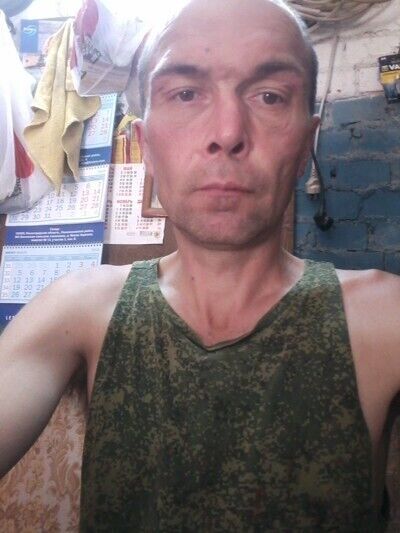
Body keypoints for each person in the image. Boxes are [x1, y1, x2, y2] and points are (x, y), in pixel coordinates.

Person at [0, 0, 399, 530]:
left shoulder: (383, 321)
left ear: (307, 143)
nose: (228, 132)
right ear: (145, 146)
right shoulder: (80, 308)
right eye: (186, 94)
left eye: (269, 96)